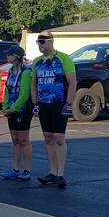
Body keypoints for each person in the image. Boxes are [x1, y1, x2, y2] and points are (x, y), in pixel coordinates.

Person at [33, 30, 77, 189]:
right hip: (43, 103)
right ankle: (52, 172)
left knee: (59, 137)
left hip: (59, 102)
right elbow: (34, 84)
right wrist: (35, 103)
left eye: (43, 41)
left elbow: (72, 82)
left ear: (51, 41)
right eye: (38, 42)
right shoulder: (37, 62)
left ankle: (61, 174)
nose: (40, 44)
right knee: (48, 137)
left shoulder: (63, 58)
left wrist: (69, 103)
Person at [0, 45, 35, 180]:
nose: (7, 57)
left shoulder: (25, 72)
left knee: (24, 140)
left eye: (9, 54)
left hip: (22, 110)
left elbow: (24, 94)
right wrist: (5, 106)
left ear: (16, 56)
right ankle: (15, 168)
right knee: (15, 140)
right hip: (12, 110)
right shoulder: (11, 71)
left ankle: (27, 170)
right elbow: (7, 90)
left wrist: (13, 109)